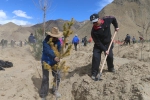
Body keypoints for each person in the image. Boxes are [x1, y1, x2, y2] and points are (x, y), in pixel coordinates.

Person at [90, 14, 119, 80]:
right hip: (98, 45)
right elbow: (98, 42)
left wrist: (116, 26)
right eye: (93, 22)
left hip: (108, 43)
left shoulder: (106, 20)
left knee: (110, 56)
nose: (95, 23)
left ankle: (111, 68)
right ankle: (94, 73)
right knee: (96, 57)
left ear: (99, 19)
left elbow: (113, 18)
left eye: (96, 21)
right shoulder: (93, 31)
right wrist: (105, 50)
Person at [39, 27, 63, 100]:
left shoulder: (58, 42)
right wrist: (54, 57)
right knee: (45, 78)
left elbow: (59, 51)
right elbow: (47, 51)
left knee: (57, 76)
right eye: (54, 37)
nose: (56, 38)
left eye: (57, 37)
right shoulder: (45, 41)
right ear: (51, 36)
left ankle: (54, 90)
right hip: (46, 61)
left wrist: (59, 57)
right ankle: (43, 94)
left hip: (54, 62)